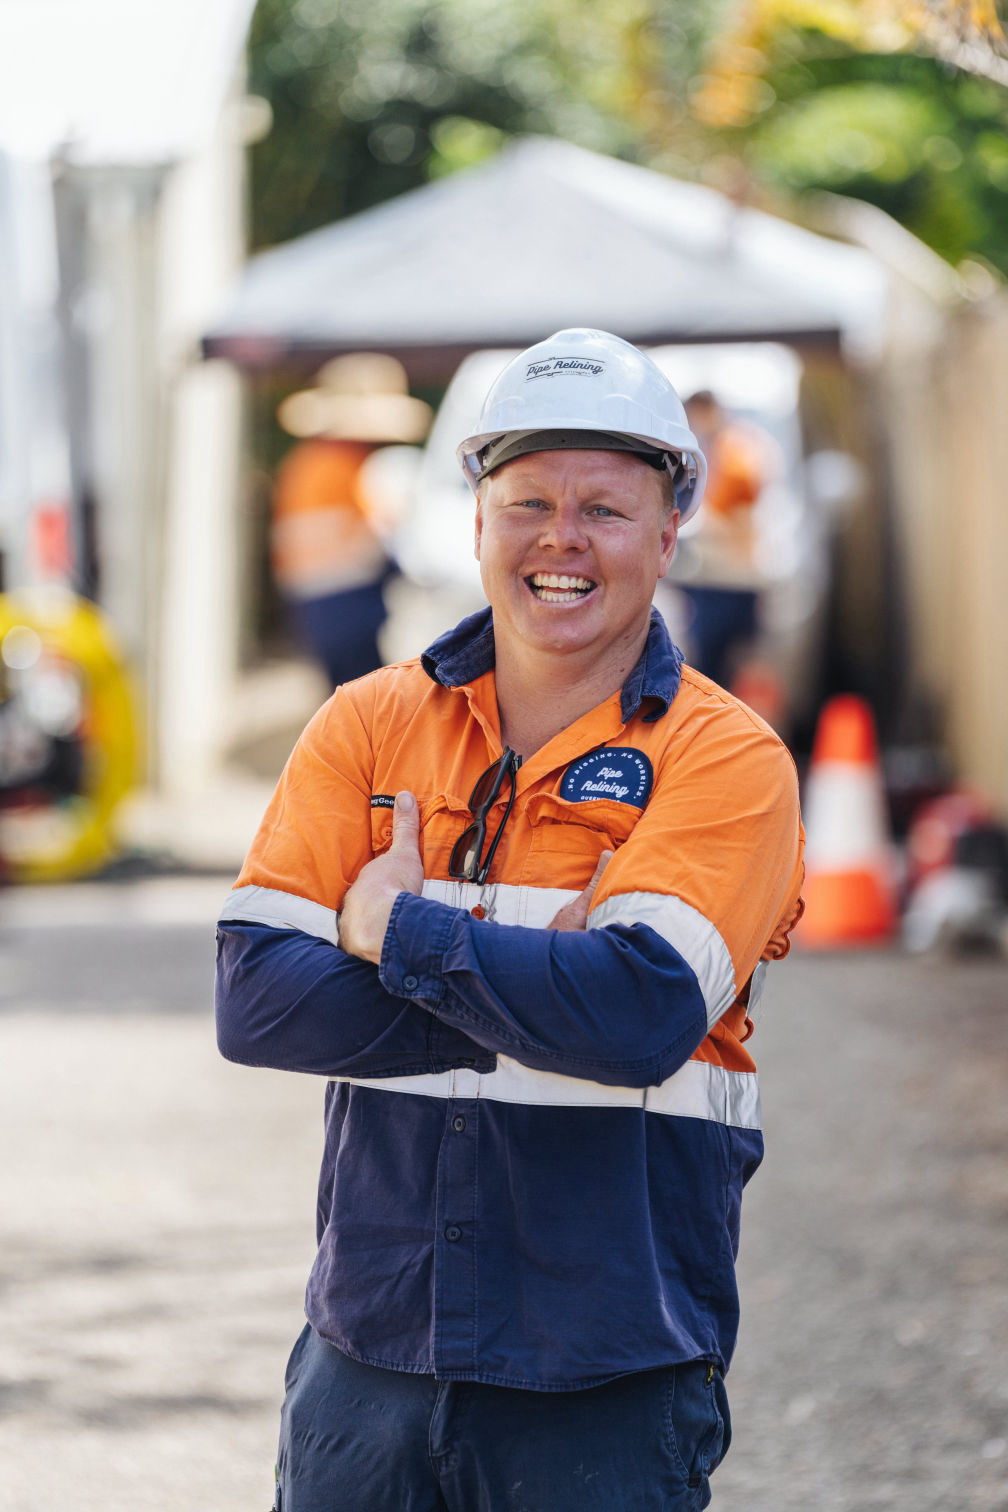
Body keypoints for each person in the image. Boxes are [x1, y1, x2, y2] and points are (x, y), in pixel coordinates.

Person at [215, 328, 805, 1511]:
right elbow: (257, 1001)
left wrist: (403, 936)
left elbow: (638, 1020)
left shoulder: (724, 757)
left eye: (605, 508)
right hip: (366, 1354)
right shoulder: (369, 724)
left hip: (608, 1365)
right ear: (479, 516)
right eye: (528, 500)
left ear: (667, 529)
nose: (562, 539)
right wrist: (547, 987)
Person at [270, 354, 432, 688]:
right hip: (350, 602)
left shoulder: (305, 462)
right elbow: (377, 538)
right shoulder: (348, 467)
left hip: (312, 602)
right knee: (367, 705)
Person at [674, 389, 781, 691]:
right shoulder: (722, 445)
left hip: (729, 578)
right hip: (715, 576)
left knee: (723, 673)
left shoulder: (734, 449)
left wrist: (702, 526)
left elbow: (736, 512)